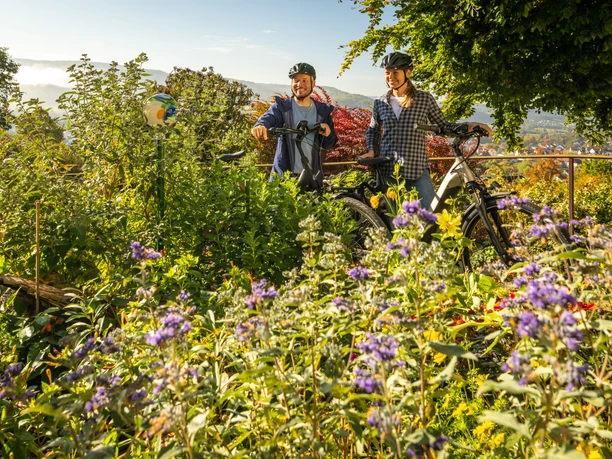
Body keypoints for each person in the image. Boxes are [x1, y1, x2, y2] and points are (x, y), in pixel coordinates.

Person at [362, 52, 492, 209]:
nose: (390, 76)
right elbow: (373, 130)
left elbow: (443, 126)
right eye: (387, 73)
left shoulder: (424, 99)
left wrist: (470, 125)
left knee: (430, 219)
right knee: (394, 222)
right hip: (388, 171)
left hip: (416, 168)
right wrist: (370, 150)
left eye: (395, 72)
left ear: (407, 72)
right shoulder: (380, 102)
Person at [251, 63, 337, 188]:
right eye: (296, 80)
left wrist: (328, 133)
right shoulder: (282, 108)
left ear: (313, 82)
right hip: (284, 178)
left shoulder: (322, 112)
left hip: (311, 178)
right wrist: (260, 125)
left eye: (304, 80)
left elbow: (330, 144)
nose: (299, 84)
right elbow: (268, 118)